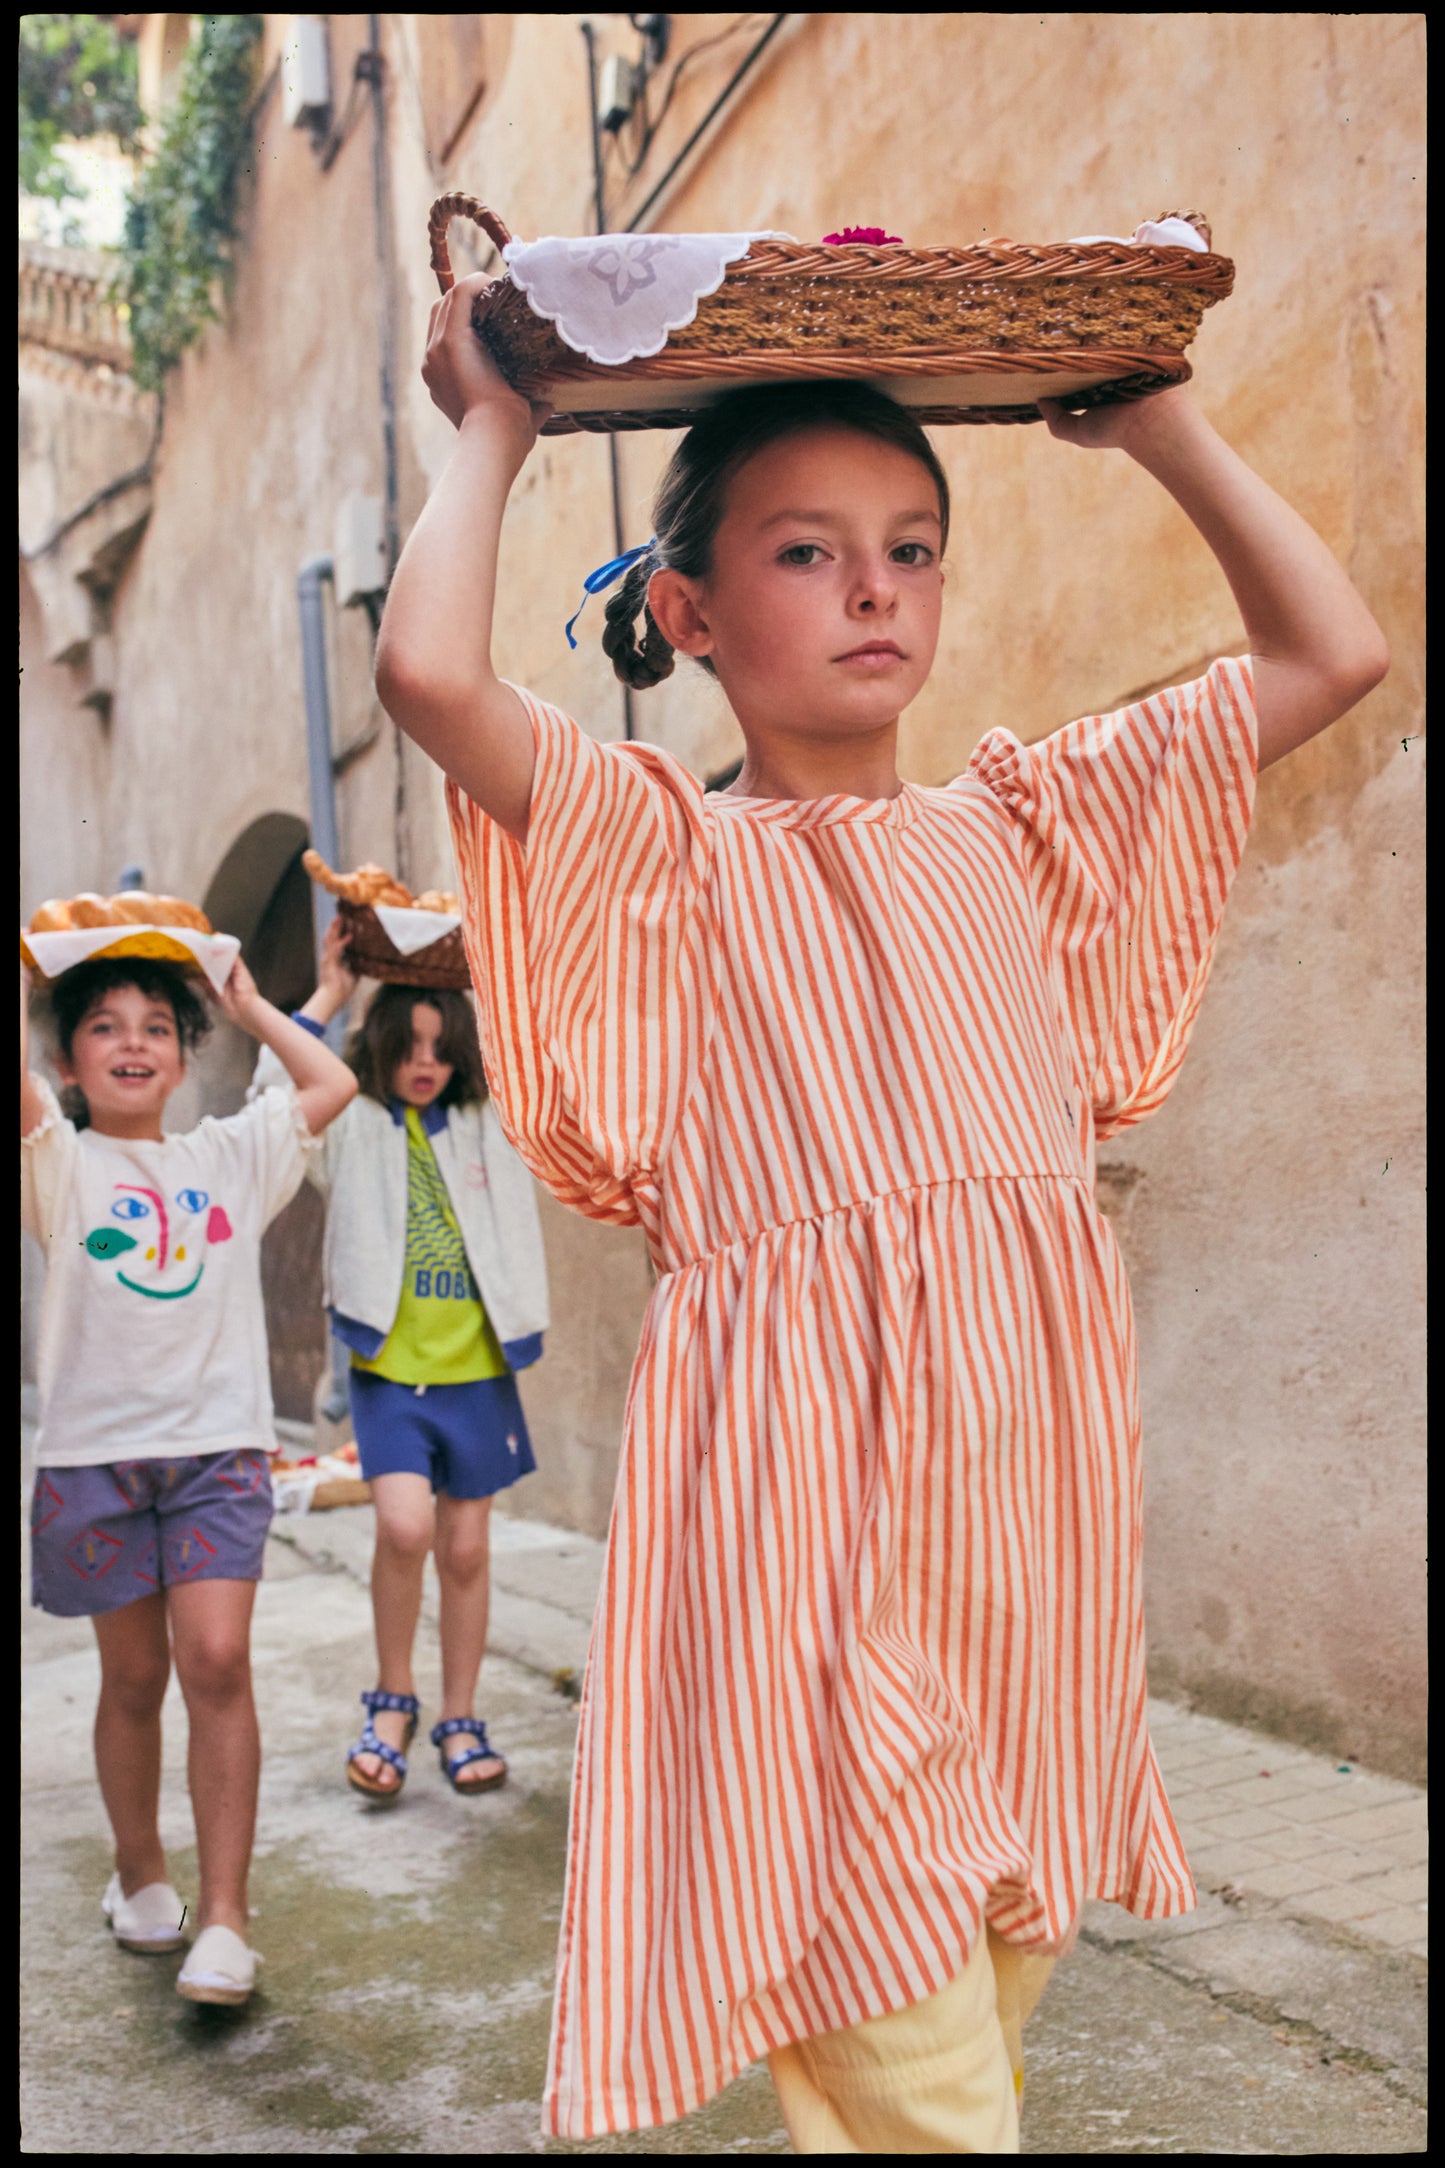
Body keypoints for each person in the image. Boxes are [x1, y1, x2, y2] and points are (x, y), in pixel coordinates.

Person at [371, 274, 1388, 2152]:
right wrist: (495, 422)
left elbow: (1331, 655)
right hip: (797, 1538)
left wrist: (1151, 416)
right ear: (687, 613)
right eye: (809, 549)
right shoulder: (662, 852)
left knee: (976, 2012)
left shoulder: (1027, 826)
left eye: (913, 548)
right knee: (913, 2049)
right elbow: (429, 678)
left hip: (1027, 1541)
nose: (875, 588)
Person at [21, 952, 357, 2007]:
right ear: (68, 1061)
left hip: (217, 1453)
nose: (132, 1042)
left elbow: (328, 1085)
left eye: (157, 1026)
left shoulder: (228, 1154)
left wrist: (254, 1002)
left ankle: (225, 1916)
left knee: (214, 1658)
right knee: (132, 1680)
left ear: (182, 1053)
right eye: (105, 1026)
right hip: (95, 1459)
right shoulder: (58, 1162)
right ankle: (140, 1879)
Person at [251, 929, 549, 1802]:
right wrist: (330, 992)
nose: (426, 1064)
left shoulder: (487, 1123)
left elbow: (539, 1064)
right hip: (388, 1370)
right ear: (380, 1050)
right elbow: (275, 1096)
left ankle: (458, 1714)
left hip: (478, 1371)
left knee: (464, 1548)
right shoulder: (354, 1124)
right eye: (408, 1047)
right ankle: (393, 1700)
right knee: (406, 1529)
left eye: (440, 1049)